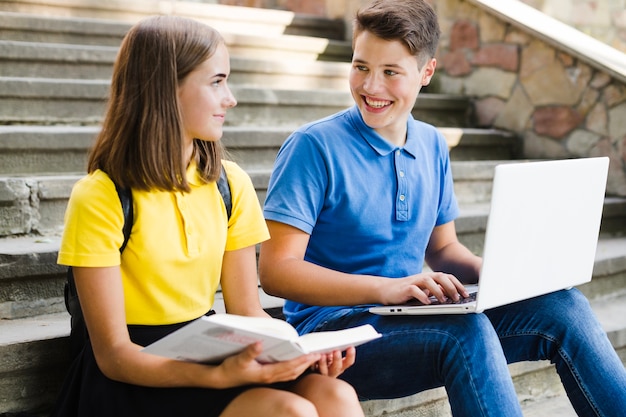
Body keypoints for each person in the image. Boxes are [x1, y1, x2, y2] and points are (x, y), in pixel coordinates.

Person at [259, 0, 626, 416]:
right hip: (338, 334)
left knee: (564, 306)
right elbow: (276, 271)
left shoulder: (432, 144)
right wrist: (386, 288)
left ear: (427, 72)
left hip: (410, 316)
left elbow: (444, 251)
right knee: (463, 330)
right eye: (361, 67)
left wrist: (505, 275)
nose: (371, 86)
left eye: (390, 72)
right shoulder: (313, 147)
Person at [51, 15, 364, 417]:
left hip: (207, 346)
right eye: (217, 81)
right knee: (291, 411)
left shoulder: (230, 184)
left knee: (335, 396)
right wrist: (218, 377)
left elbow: (247, 311)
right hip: (133, 376)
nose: (230, 98)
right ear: (167, 89)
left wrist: (297, 350)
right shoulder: (100, 196)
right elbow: (114, 355)